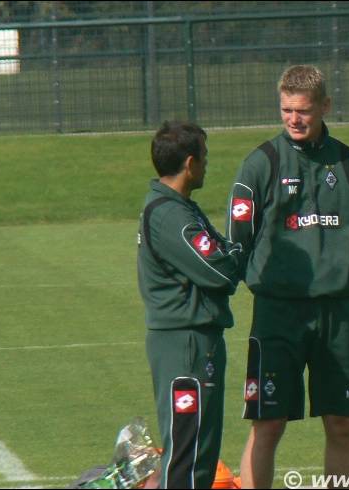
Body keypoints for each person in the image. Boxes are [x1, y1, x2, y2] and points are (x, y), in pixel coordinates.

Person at [226, 65, 349, 488]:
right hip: (277, 315)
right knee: (267, 423)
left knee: (343, 423)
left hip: (337, 314)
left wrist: (333, 272)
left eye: (303, 110)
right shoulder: (261, 164)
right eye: (286, 109)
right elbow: (239, 238)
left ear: (325, 106)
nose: (294, 119)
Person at [137, 121, 244, 489]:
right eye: (204, 156)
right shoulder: (171, 216)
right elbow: (221, 271)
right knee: (189, 455)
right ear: (189, 163)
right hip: (185, 345)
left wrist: (229, 254)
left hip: (192, 341)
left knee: (199, 453)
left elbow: (221, 255)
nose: (207, 164)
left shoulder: (180, 208)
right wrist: (236, 253)